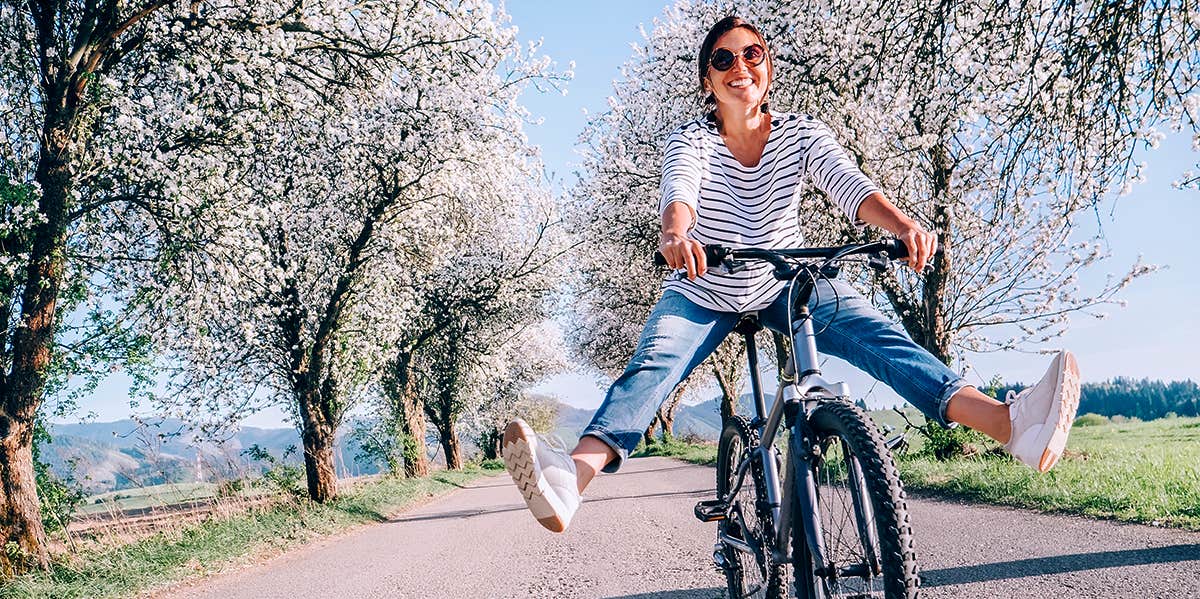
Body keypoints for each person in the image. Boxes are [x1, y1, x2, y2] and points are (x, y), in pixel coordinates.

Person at [501, 15, 1081, 533]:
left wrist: (902, 225)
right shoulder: (694, 141)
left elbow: (850, 187)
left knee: (882, 339)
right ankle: (569, 481)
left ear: (768, 70)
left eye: (751, 54)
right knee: (653, 365)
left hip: (786, 281)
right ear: (708, 80)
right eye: (723, 59)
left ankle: (1010, 425)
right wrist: (677, 235)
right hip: (705, 287)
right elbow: (680, 194)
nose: (739, 67)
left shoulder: (802, 134)